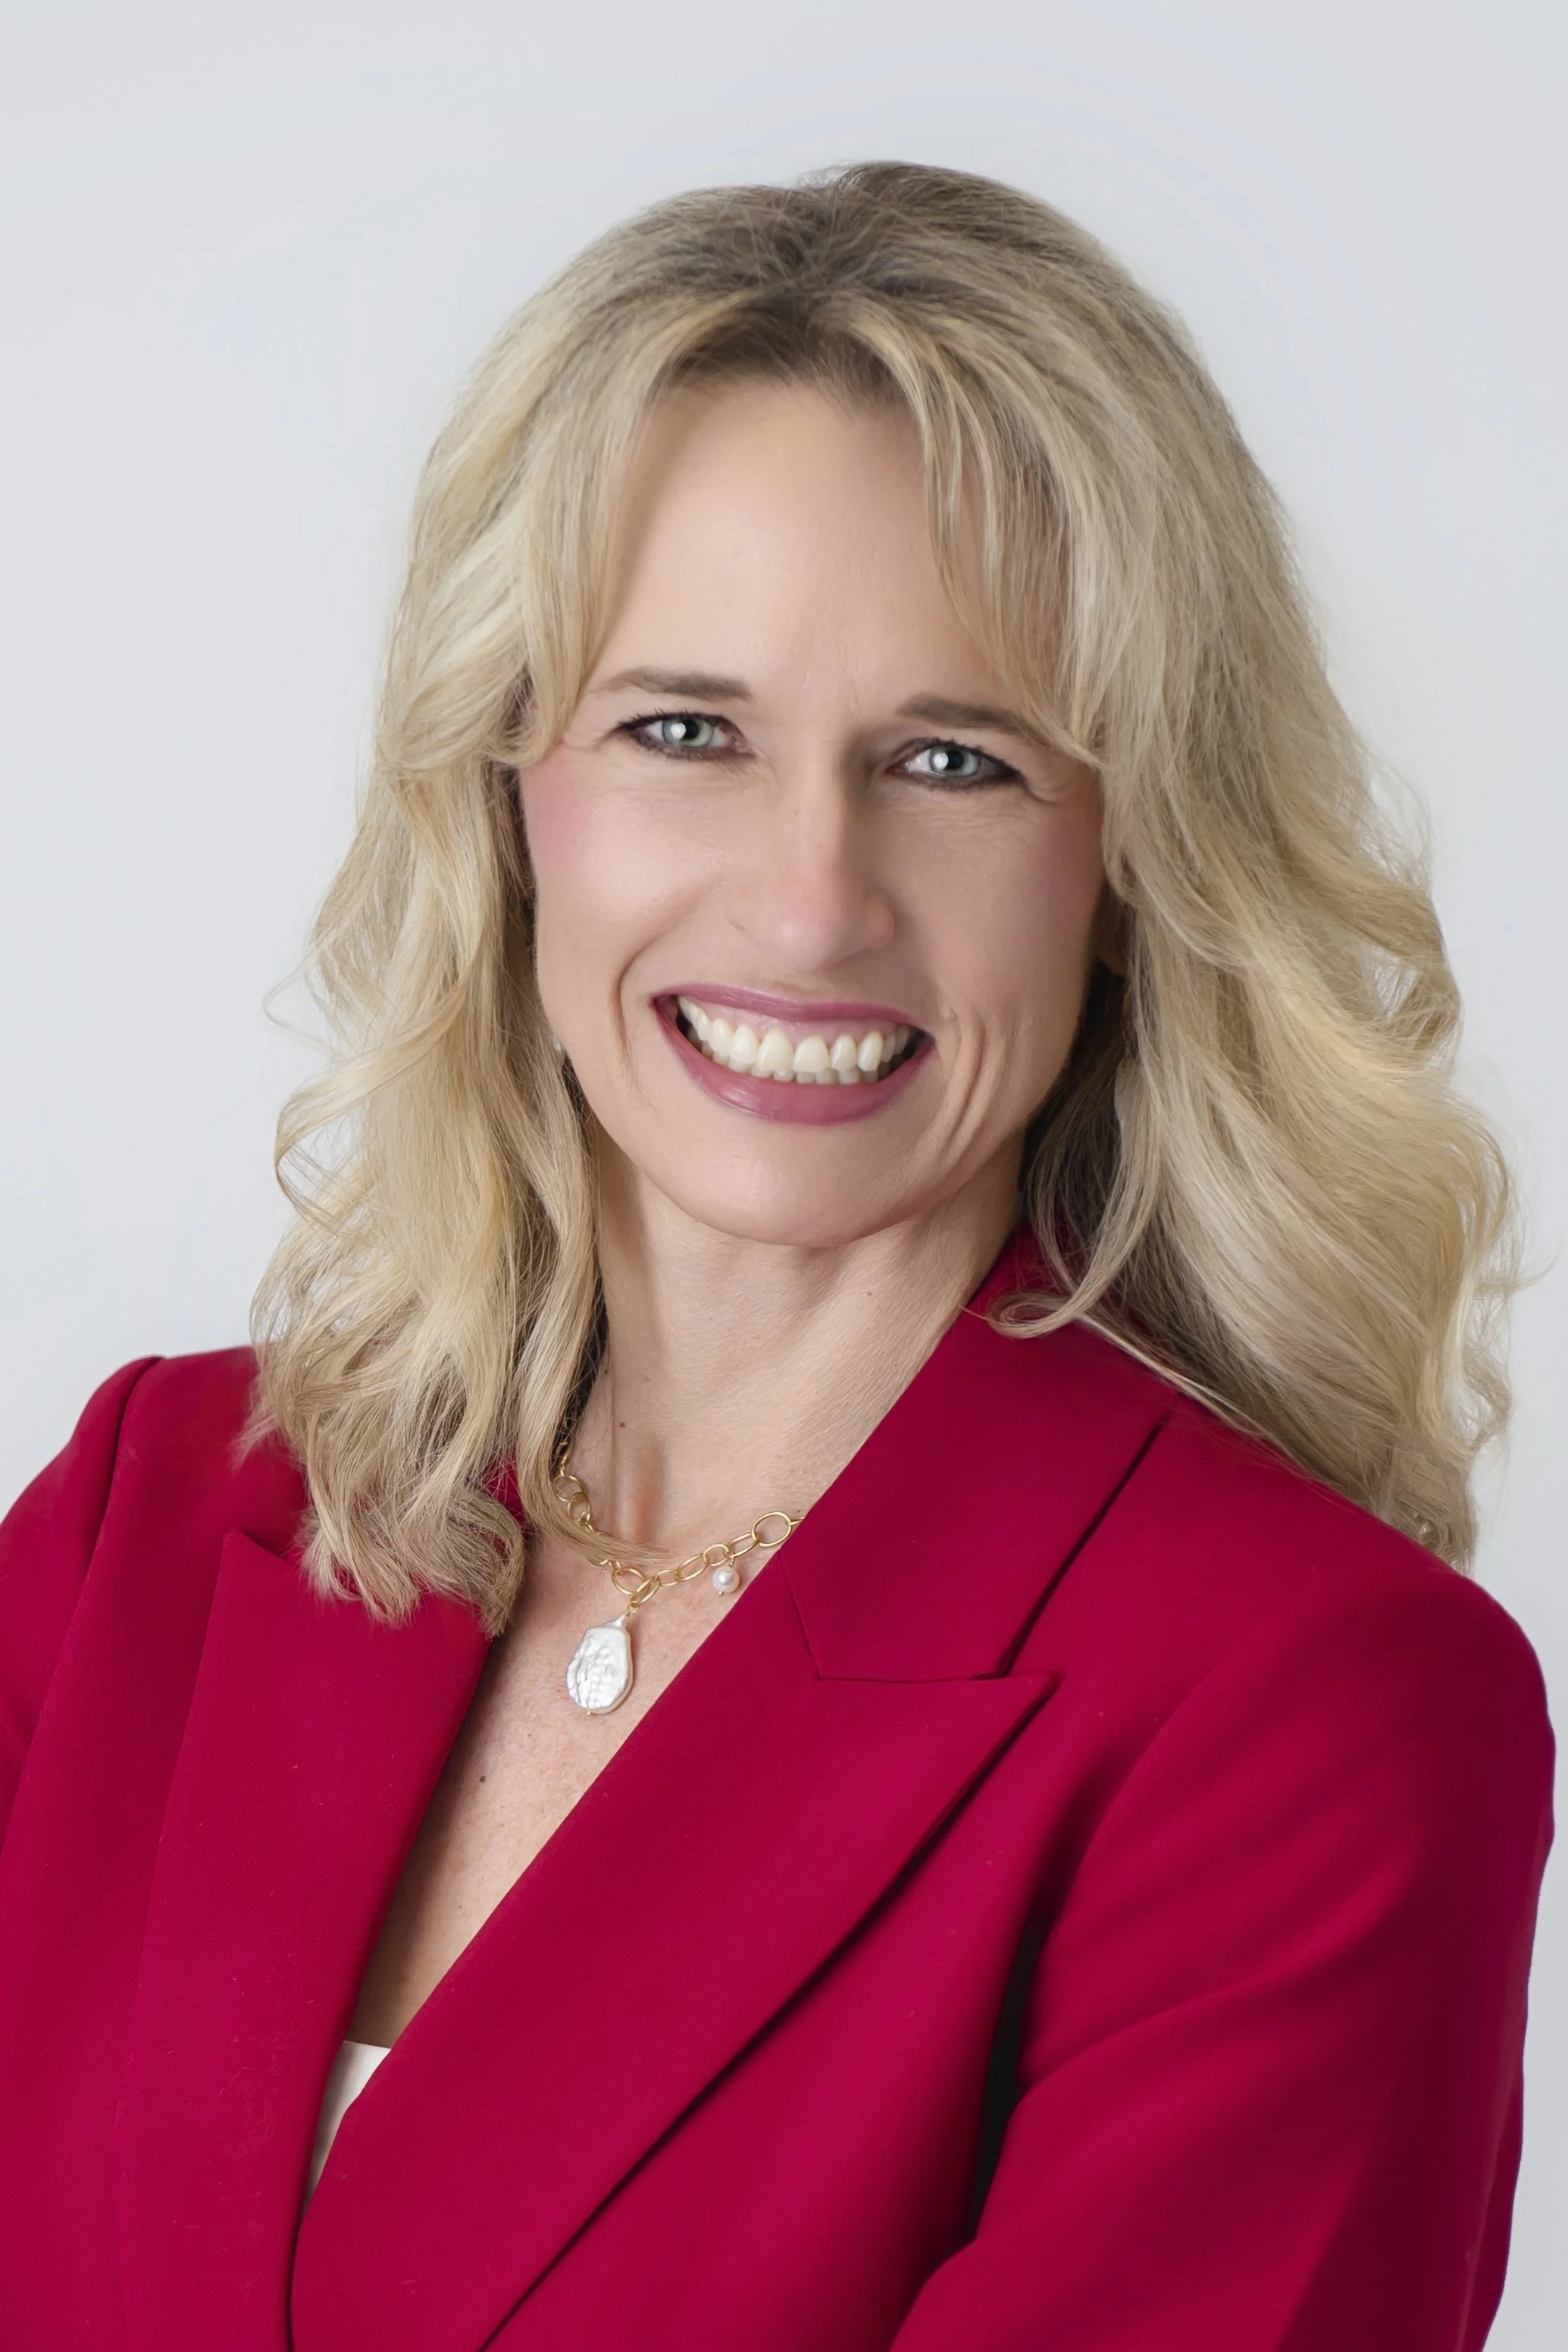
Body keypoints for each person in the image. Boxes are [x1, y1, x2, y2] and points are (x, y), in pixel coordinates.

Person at [0, 161, 1552, 2352]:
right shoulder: (143, 1529)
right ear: (506, 783)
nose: (811, 898)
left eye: (953, 757)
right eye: (682, 730)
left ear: (1128, 858)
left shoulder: (1309, 1711)